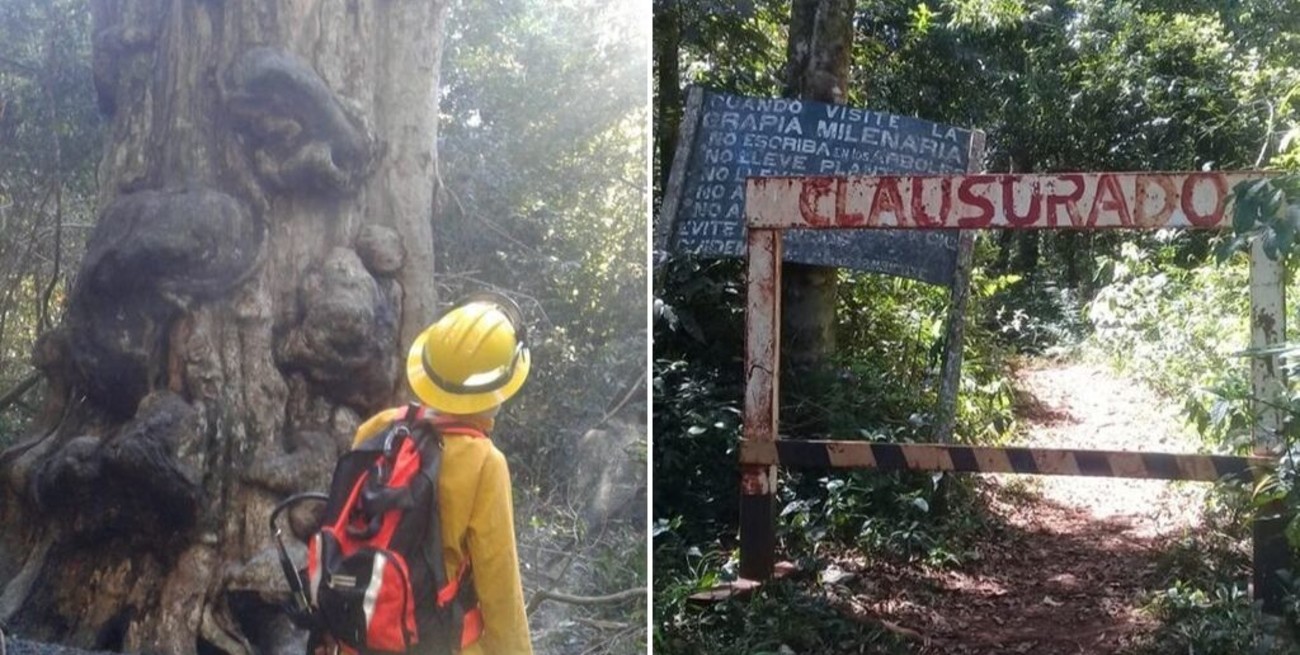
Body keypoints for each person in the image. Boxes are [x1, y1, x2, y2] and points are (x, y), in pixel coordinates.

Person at [345, 292, 534, 654]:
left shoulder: (379, 428)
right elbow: (501, 591)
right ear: (498, 389)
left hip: (360, 634)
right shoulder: (484, 463)